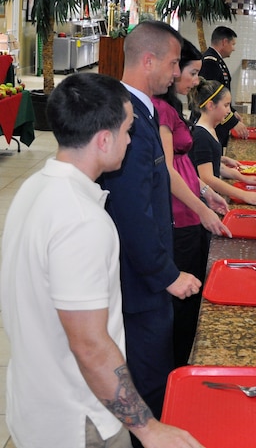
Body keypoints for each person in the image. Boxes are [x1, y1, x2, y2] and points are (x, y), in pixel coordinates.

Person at [0, 72, 204, 447]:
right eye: (128, 131)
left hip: (33, 404)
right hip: (79, 419)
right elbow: (90, 345)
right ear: (104, 139)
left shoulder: (35, 188)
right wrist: (148, 428)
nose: (131, 140)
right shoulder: (81, 220)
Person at [98, 20, 203, 425]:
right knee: (149, 384)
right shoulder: (131, 123)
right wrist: (166, 273)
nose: (177, 73)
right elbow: (131, 211)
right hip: (141, 285)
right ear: (148, 60)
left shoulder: (140, 112)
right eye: (174, 63)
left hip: (149, 276)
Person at [152, 38, 232, 368]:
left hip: (191, 209)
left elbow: (183, 168)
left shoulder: (173, 106)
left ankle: (187, 360)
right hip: (180, 216)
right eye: (192, 72)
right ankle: (180, 367)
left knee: (194, 295)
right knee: (185, 301)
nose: (197, 80)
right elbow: (168, 171)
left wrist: (205, 191)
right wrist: (201, 208)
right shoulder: (160, 111)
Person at [188, 78, 256, 208]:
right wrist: (243, 194)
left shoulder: (210, 129)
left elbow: (214, 164)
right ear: (210, 106)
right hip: (203, 202)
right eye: (226, 105)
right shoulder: (201, 136)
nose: (229, 111)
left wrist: (242, 177)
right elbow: (207, 178)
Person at [200, 26, 250, 145]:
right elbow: (212, 97)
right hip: (212, 122)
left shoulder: (217, 60)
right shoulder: (210, 62)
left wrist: (232, 111)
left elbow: (221, 92)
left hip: (218, 121)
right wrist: (232, 122)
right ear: (224, 42)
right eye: (233, 44)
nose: (233, 49)